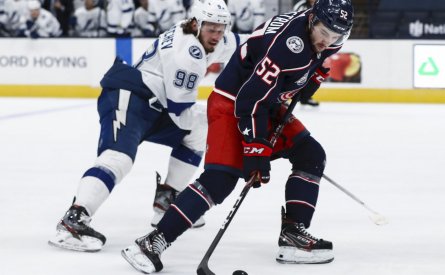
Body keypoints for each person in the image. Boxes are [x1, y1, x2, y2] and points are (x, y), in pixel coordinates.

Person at [120, 0, 354, 273]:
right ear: (312, 19)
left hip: (266, 102)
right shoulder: (288, 45)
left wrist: (310, 78)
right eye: (324, 33)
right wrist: (256, 149)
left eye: (336, 36)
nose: (329, 41)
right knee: (221, 179)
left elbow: (312, 63)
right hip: (233, 103)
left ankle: (293, 235)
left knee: (310, 154)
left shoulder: (329, 33)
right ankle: (153, 241)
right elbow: (250, 99)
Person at [48, 0, 247, 252]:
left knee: (198, 128)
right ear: (197, 24)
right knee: (118, 159)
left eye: (221, 29)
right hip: (129, 96)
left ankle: (167, 202)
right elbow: (178, 110)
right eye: (212, 29)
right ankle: (73, 221)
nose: (217, 36)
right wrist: (224, 122)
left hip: (155, 105)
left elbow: (247, 42)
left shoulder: (202, 32)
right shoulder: (188, 54)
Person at [292, 0, 321, 107]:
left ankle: (305, 97)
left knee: (311, 71)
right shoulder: (300, 6)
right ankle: (283, 96)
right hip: (301, 42)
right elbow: (295, 22)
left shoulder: (323, 5)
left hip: (314, 43)